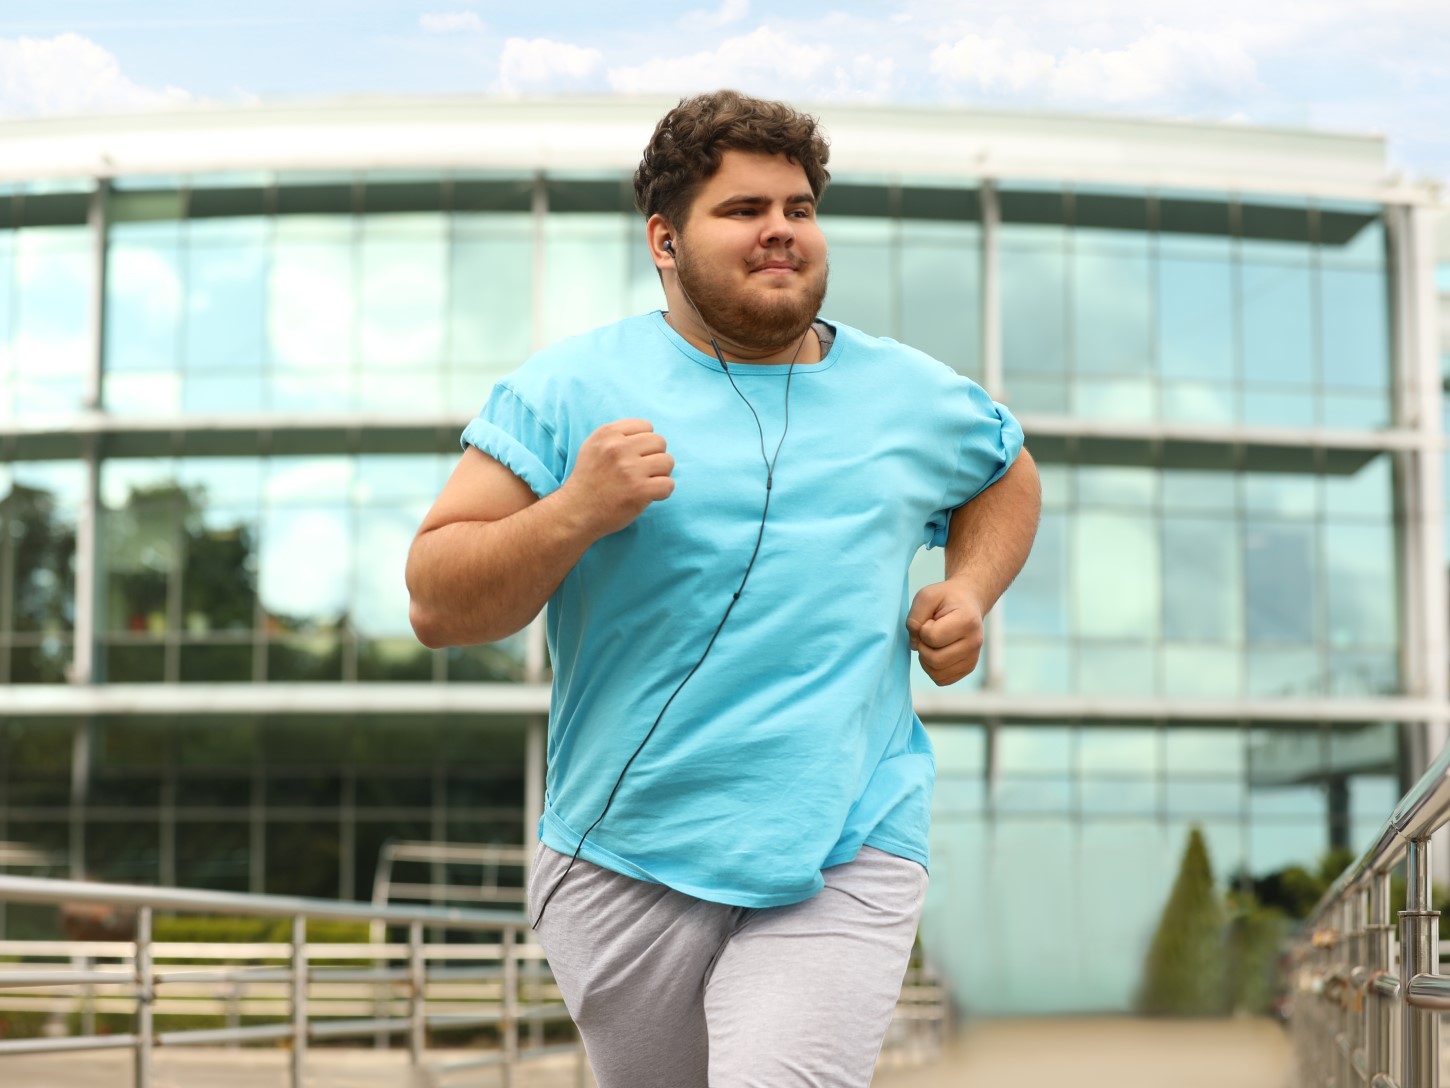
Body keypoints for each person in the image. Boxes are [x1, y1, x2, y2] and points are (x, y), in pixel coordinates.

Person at [406, 90, 1040, 1088]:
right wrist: (574, 509)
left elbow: (1006, 470)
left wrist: (970, 588)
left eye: (798, 206)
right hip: (623, 848)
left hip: (849, 832)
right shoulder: (568, 389)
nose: (781, 229)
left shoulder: (911, 395)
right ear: (665, 239)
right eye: (743, 209)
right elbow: (438, 600)